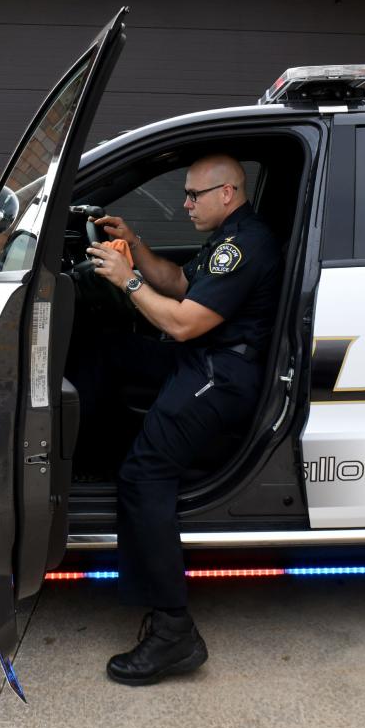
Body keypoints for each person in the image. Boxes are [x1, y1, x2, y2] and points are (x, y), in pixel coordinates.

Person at [82, 154, 282, 686]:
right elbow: (177, 282)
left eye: (194, 195)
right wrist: (137, 245)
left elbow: (183, 323)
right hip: (204, 358)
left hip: (222, 372)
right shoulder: (228, 238)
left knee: (144, 475)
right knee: (109, 351)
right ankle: (94, 457)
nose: (185, 203)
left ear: (227, 193)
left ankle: (174, 633)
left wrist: (126, 281)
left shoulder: (247, 245)